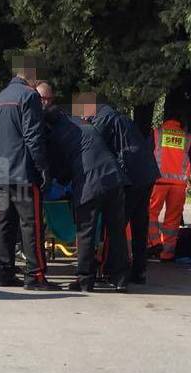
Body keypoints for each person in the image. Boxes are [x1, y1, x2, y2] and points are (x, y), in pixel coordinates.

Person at [0, 75, 57, 290]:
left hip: (2, 172)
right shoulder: (29, 96)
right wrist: (42, 168)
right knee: (31, 225)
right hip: (23, 172)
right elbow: (33, 135)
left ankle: (4, 272)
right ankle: (35, 275)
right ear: (30, 79)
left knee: (5, 223)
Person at [43, 107, 129, 291]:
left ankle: (84, 279)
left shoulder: (57, 134)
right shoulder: (81, 123)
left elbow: (60, 169)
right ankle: (121, 279)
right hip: (114, 179)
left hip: (90, 183)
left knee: (85, 232)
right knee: (116, 231)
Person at [91, 102, 161, 284]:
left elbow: (94, 146)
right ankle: (139, 271)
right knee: (140, 224)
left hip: (132, 175)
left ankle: (110, 269)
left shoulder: (103, 119)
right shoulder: (120, 118)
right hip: (147, 173)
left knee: (116, 224)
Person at [149, 110, 191, 262]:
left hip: (159, 182)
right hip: (179, 184)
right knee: (173, 220)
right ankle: (167, 253)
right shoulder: (187, 137)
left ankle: (153, 244)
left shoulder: (157, 133)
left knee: (151, 214)